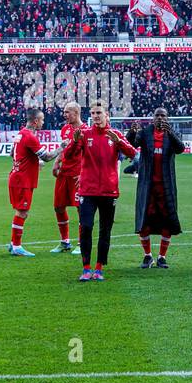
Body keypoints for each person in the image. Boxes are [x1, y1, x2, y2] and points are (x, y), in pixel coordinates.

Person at [61, 100, 136, 281]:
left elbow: (134, 154)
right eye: (93, 113)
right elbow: (68, 155)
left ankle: (99, 267)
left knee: (105, 230)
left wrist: (121, 143)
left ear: (106, 115)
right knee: (86, 227)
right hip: (87, 190)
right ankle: (86, 268)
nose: (95, 116)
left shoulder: (115, 134)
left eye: (99, 113)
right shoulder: (84, 134)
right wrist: (74, 142)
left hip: (109, 191)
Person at [127, 108, 184, 269]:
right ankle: (148, 256)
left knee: (167, 220)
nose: (160, 118)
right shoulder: (145, 133)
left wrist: (170, 132)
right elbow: (131, 145)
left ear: (167, 118)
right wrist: (132, 132)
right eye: (157, 115)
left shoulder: (171, 133)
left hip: (166, 185)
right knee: (144, 219)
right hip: (148, 185)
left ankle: (162, 257)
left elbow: (180, 148)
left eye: (163, 115)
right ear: (152, 118)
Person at [7, 108, 62, 256]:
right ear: (36, 121)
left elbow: (12, 153)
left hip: (16, 176)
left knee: (20, 211)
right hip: (22, 180)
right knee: (22, 212)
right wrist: (61, 148)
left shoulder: (20, 134)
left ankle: (13, 243)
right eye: (42, 119)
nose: (43, 122)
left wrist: (33, 162)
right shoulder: (30, 137)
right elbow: (48, 157)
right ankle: (17, 246)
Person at [50, 101, 84, 253]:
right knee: (58, 206)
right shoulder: (65, 129)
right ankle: (65, 242)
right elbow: (64, 149)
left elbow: (88, 155)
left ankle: (81, 243)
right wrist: (56, 162)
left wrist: (84, 173)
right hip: (64, 172)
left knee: (81, 209)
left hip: (78, 174)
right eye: (64, 112)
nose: (64, 115)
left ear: (76, 113)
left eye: (67, 112)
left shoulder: (86, 130)